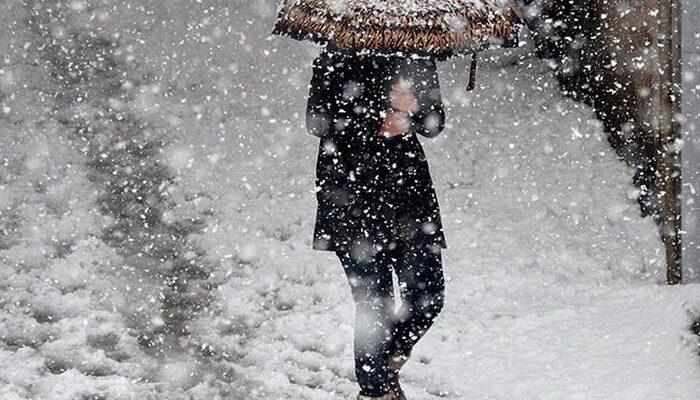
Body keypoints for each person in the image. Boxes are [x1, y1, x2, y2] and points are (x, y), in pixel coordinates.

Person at [306, 45, 447, 400]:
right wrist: (376, 117)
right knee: (374, 304)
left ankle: (386, 362)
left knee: (428, 294)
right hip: (351, 196)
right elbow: (317, 121)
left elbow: (435, 121)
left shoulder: (416, 50)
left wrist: (413, 111)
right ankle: (375, 391)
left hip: (409, 197)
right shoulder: (337, 52)